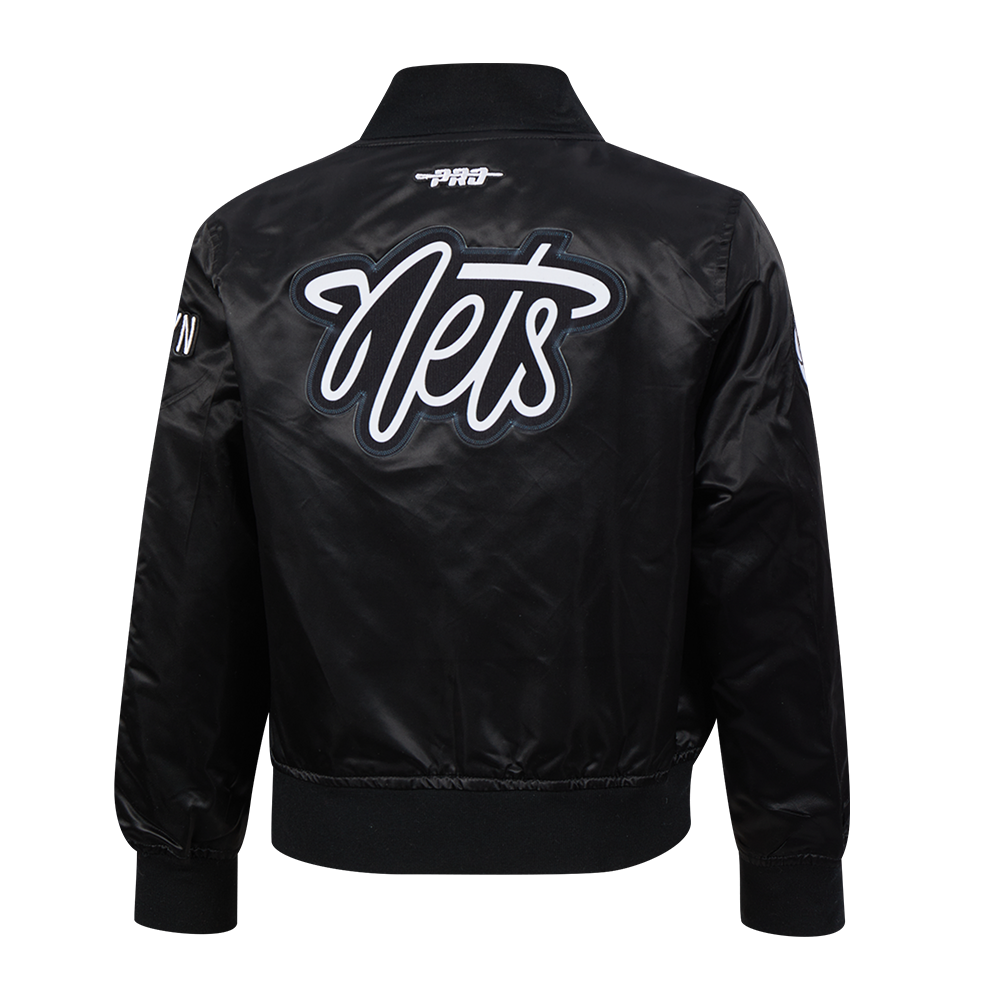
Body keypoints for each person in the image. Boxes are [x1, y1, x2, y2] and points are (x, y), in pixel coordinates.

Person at [115, 63, 849, 936]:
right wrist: (797, 868)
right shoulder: (697, 235)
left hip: (333, 856)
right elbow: (767, 564)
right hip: (623, 855)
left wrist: (176, 868)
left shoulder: (254, 242)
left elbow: (193, 568)